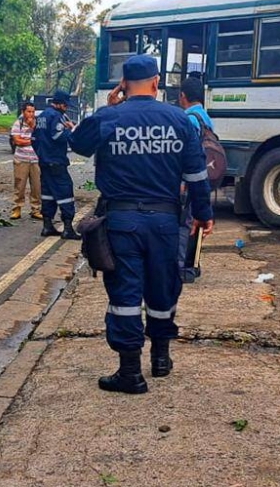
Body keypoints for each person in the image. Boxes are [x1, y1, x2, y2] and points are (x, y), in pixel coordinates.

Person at [70, 55, 214, 395]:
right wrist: (204, 214)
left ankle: (130, 372)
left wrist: (108, 107)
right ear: (156, 81)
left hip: (121, 223)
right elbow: (196, 174)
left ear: (123, 84)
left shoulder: (109, 117)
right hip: (165, 222)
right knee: (164, 289)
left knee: (125, 294)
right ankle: (161, 359)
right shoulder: (179, 120)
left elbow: (77, 145)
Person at [177, 76, 214, 283]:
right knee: (194, 223)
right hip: (205, 173)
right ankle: (193, 265)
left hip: (190, 178)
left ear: (183, 96)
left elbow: (187, 154)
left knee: (185, 223)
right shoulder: (204, 117)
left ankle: (184, 268)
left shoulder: (189, 119)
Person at [33, 90, 80, 240]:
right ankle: (67, 229)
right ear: (60, 103)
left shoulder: (42, 116)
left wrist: (42, 154)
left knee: (48, 194)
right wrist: (71, 129)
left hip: (44, 162)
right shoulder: (56, 116)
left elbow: (34, 139)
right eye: (66, 105)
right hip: (56, 162)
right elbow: (58, 135)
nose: (66, 108)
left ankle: (47, 226)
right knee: (65, 192)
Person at [10, 102, 42, 221]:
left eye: (33, 112)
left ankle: (36, 209)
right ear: (23, 112)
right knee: (20, 185)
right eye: (29, 111)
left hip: (36, 160)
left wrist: (32, 127)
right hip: (21, 159)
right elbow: (17, 141)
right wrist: (32, 141)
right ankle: (17, 208)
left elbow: (41, 138)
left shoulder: (38, 125)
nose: (31, 114)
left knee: (37, 186)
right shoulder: (18, 123)